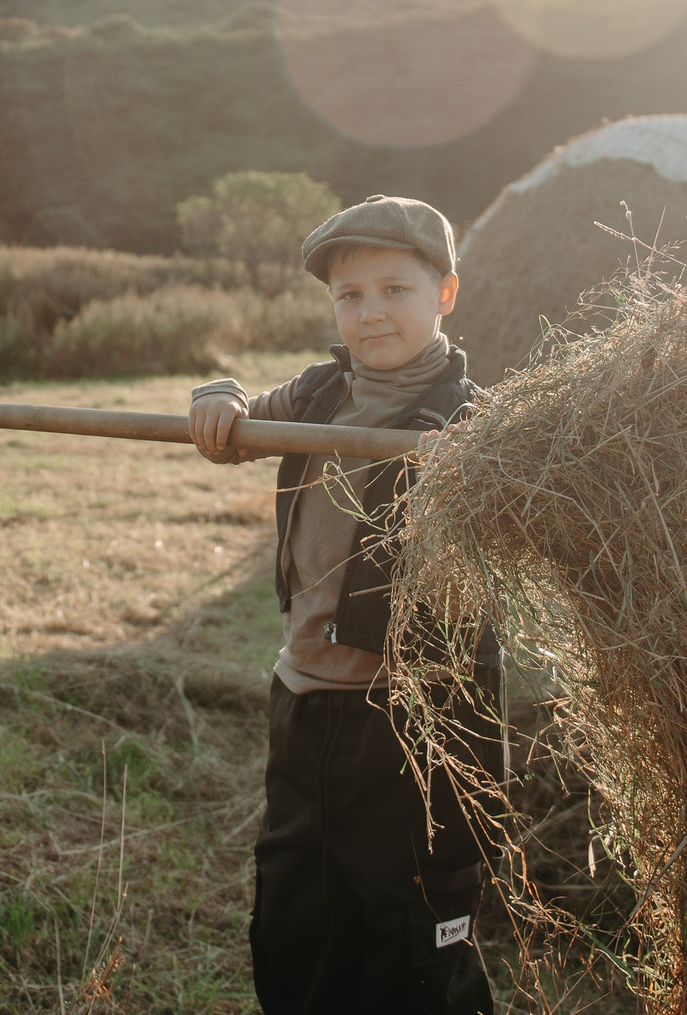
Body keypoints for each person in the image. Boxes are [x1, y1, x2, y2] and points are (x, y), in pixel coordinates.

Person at [190, 194, 493, 1015]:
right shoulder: (320, 395)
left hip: (412, 721)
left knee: (412, 937)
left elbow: (541, 520)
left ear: (446, 294)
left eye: (395, 289)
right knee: (298, 920)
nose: (371, 312)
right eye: (349, 295)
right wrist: (217, 396)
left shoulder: (475, 425)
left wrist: (480, 470)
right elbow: (240, 415)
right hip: (304, 704)